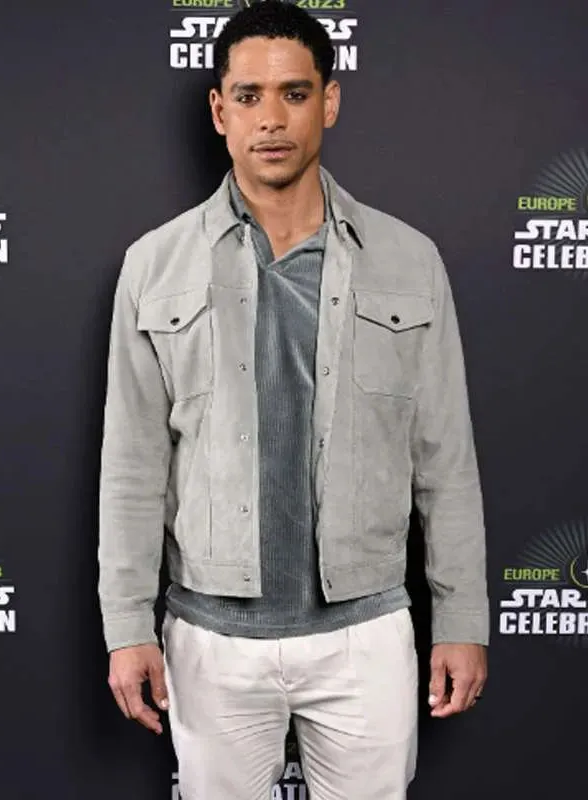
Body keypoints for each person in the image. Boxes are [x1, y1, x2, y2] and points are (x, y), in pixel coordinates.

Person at [98, 2, 489, 798]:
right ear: (219, 110)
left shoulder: (409, 261)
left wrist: (462, 620)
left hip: (365, 638)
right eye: (249, 96)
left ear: (329, 101)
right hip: (211, 641)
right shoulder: (153, 266)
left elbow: (445, 461)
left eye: (295, 93)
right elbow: (132, 466)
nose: (271, 119)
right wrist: (126, 627)